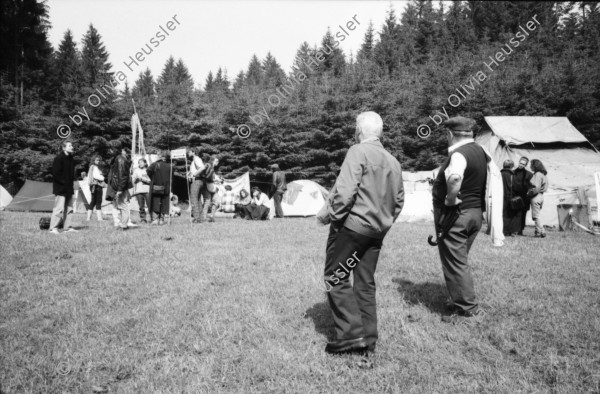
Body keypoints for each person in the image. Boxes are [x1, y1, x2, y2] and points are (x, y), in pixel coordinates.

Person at [316, 111, 404, 355]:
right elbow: (399, 201)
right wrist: (384, 223)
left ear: (358, 130)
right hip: (376, 233)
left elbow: (345, 193)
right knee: (365, 283)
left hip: (353, 228)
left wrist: (333, 218)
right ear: (381, 133)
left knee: (336, 277)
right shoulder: (393, 161)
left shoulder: (357, 151)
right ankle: (368, 339)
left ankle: (351, 336)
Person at [432, 116, 487, 324]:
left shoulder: (459, 154)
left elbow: (455, 178)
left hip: (458, 215)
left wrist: (450, 199)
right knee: (460, 259)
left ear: (450, 134)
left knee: (456, 262)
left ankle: (468, 310)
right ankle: (459, 300)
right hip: (474, 213)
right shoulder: (480, 151)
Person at [49, 141, 77, 234]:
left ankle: (67, 227)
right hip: (60, 188)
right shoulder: (59, 158)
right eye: (70, 146)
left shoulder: (71, 158)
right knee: (58, 209)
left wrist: (70, 184)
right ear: (64, 148)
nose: (72, 147)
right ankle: (53, 228)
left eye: (72, 145)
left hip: (69, 188)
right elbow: (56, 174)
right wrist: (64, 183)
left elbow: (71, 174)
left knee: (69, 209)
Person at [108, 145, 133, 230]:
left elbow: (122, 175)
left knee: (123, 205)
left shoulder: (120, 159)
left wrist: (120, 189)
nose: (110, 151)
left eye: (111, 149)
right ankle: (123, 224)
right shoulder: (119, 158)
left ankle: (124, 225)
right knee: (121, 205)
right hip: (119, 185)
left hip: (120, 186)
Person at [147, 151, 172, 225]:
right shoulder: (169, 166)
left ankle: (155, 219)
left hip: (156, 186)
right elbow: (171, 178)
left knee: (155, 202)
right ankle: (161, 219)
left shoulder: (154, 165)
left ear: (161, 156)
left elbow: (148, 171)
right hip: (166, 187)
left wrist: (153, 178)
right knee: (164, 202)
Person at [528, 159, 549, 238]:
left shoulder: (537, 174)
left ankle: (539, 232)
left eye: (531, 165)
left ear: (535, 166)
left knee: (536, 216)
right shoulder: (543, 174)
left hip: (536, 196)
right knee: (537, 215)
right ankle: (541, 231)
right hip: (541, 196)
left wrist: (529, 194)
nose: (530, 167)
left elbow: (536, 187)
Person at [513, 157, 533, 236]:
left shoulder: (529, 174)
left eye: (523, 164)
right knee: (514, 213)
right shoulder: (513, 172)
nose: (521, 165)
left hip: (524, 198)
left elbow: (531, 186)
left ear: (526, 165)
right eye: (520, 163)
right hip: (514, 197)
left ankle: (520, 230)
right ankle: (513, 229)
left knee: (522, 214)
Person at [500, 159, 521, 236]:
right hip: (511, 197)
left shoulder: (499, 174)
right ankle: (511, 231)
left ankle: (503, 230)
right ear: (511, 166)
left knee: (502, 214)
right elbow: (516, 187)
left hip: (500, 197)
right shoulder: (513, 175)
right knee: (512, 215)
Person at [187, 148, 206, 223]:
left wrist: (194, 174)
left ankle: (196, 218)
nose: (188, 153)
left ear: (193, 152)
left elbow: (202, 167)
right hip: (200, 181)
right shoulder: (195, 160)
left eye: (189, 152)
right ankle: (200, 218)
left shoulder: (196, 159)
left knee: (194, 199)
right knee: (198, 200)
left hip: (196, 181)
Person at [200, 156, 219, 223]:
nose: (218, 162)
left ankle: (211, 217)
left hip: (212, 186)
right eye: (216, 161)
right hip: (205, 186)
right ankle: (204, 218)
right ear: (212, 161)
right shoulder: (208, 166)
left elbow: (211, 177)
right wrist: (215, 179)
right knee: (207, 202)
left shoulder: (213, 169)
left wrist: (217, 180)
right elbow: (206, 176)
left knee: (216, 202)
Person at [86, 155, 105, 221]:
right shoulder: (95, 167)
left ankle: (88, 218)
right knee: (98, 201)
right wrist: (103, 177)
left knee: (93, 201)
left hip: (93, 186)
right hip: (97, 186)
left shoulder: (91, 167)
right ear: (93, 160)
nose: (98, 161)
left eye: (99, 160)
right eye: (97, 160)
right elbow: (97, 176)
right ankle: (99, 218)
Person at [132, 158, 151, 223]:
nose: (140, 163)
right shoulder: (136, 170)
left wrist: (142, 179)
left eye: (142, 162)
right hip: (139, 190)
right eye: (139, 162)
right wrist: (135, 179)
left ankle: (152, 218)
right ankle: (143, 219)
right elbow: (133, 180)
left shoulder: (148, 170)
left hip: (147, 190)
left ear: (145, 163)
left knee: (150, 205)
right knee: (141, 206)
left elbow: (150, 181)